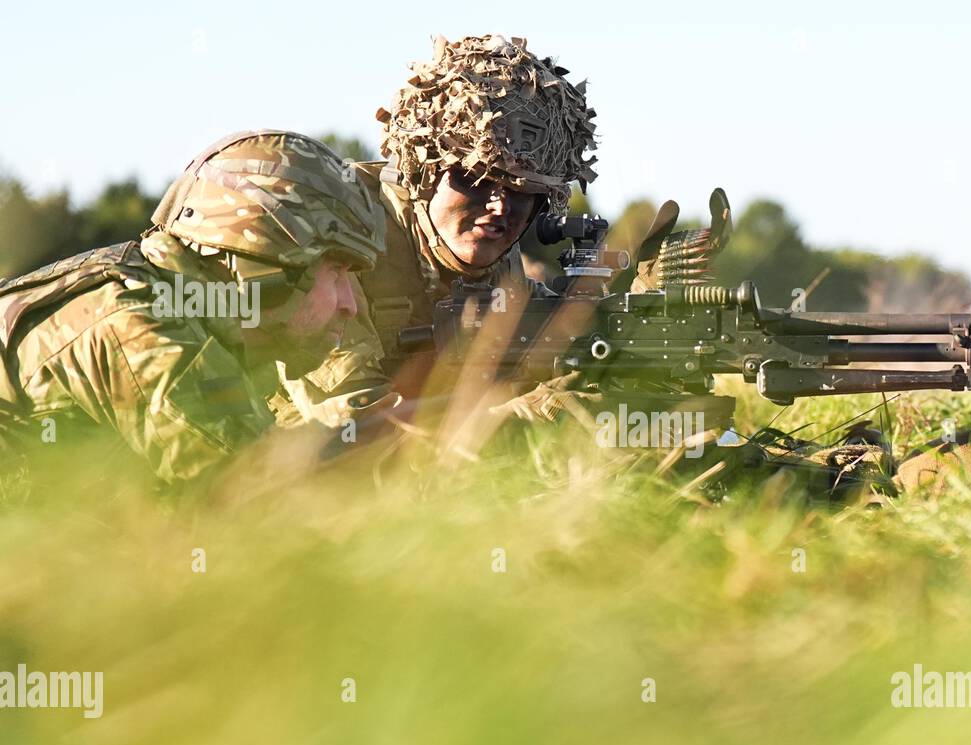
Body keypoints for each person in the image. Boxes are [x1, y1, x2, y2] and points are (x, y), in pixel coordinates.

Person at [0, 130, 385, 484]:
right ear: (265, 265)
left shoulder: (190, 314)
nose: (350, 305)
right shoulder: (140, 326)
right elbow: (256, 499)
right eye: (334, 273)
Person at [277, 34, 598, 425]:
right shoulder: (338, 229)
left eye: (524, 191)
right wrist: (543, 415)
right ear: (425, 171)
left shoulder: (497, 258)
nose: (500, 208)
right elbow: (357, 428)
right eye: (477, 179)